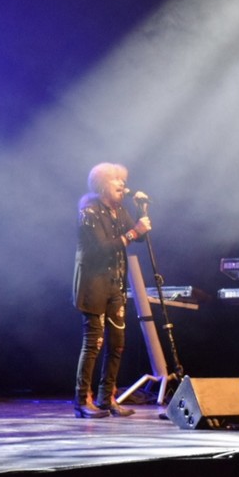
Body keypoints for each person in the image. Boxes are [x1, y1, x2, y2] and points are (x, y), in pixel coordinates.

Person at [72, 163, 151, 418]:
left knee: (117, 344)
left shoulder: (119, 209)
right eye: (116, 179)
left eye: (123, 179)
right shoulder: (90, 210)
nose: (122, 184)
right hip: (93, 286)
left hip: (115, 285)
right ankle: (83, 400)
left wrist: (140, 213)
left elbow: (138, 236)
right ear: (103, 184)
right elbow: (101, 247)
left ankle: (107, 398)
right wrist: (133, 232)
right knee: (94, 343)